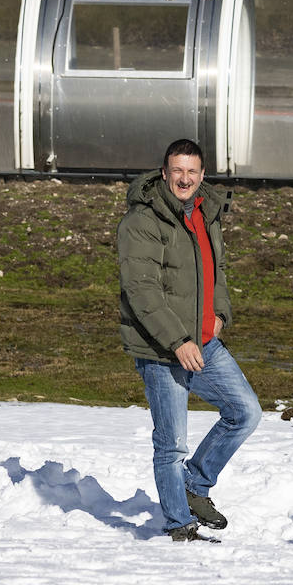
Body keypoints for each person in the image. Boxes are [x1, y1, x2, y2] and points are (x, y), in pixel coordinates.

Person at [118, 138, 262, 542]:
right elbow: (141, 290)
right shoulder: (142, 220)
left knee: (245, 412)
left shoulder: (205, 212)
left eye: (192, 172)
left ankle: (194, 486)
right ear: (164, 173)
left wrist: (220, 313)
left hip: (204, 343)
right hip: (163, 349)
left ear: (202, 176)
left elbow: (216, 272)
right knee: (171, 445)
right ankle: (179, 525)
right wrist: (178, 340)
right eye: (176, 171)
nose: (184, 178)